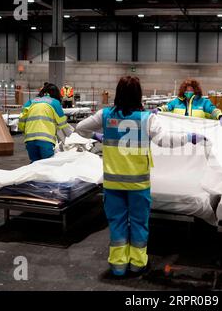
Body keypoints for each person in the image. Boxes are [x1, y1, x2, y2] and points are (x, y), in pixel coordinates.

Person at [76, 76, 205, 277]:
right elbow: (164, 140)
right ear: (139, 95)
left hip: (112, 184)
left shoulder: (104, 115)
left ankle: (118, 266)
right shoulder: (147, 119)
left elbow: (80, 128)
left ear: (118, 93)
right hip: (138, 185)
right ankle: (137, 264)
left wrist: (98, 136)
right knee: (139, 223)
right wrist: (189, 137)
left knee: (117, 223)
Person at [18, 83, 71, 162]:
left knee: (35, 164)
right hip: (46, 140)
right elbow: (62, 123)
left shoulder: (30, 102)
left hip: (30, 140)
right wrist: (70, 135)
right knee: (47, 165)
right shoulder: (55, 103)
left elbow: (21, 121)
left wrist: (25, 130)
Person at [156, 78, 222, 124]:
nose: (188, 92)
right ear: (183, 91)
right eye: (186, 90)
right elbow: (167, 107)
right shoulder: (177, 101)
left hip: (199, 134)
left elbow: (213, 110)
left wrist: (220, 116)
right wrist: (158, 109)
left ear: (196, 91)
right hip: (181, 133)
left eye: (191, 90)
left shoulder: (204, 102)